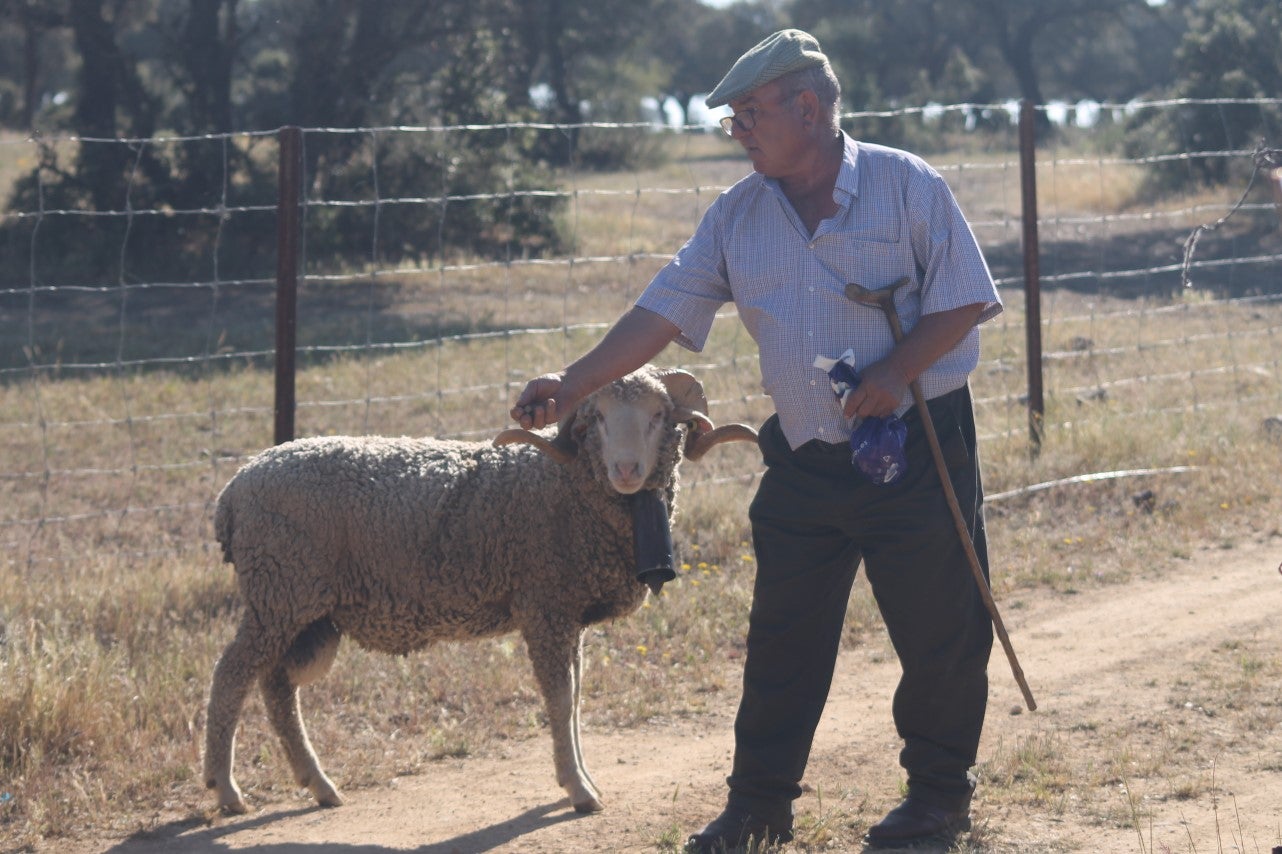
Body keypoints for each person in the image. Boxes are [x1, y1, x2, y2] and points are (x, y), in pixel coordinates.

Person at [511, 28, 1001, 852]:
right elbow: (662, 311)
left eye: (748, 114)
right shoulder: (737, 215)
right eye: (732, 118)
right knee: (783, 637)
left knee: (939, 632)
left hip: (918, 446)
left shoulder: (907, 185)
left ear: (807, 108)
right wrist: (574, 382)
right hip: (805, 456)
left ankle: (937, 800)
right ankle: (759, 808)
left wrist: (896, 370)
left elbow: (965, 299)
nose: (737, 131)